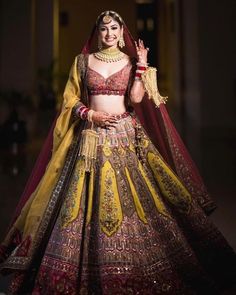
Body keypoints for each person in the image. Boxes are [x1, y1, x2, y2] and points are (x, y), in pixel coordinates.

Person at [0, 10, 236, 294]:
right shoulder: (83, 62)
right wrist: (90, 115)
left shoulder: (131, 61)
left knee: (137, 200)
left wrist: (142, 66)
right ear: (97, 32)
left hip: (124, 136)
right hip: (89, 137)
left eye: (114, 28)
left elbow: (135, 99)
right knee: (79, 202)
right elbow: (69, 100)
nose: (109, 34)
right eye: (103, 29)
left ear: (122, 31)